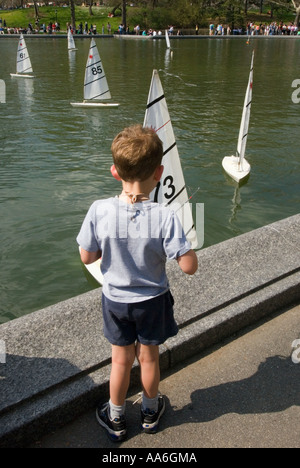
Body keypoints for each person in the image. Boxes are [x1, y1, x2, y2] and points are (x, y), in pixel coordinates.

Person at [76, 125, 198, 442]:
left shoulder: (99, 210)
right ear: (159, 172)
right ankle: (149, 411)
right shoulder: (166, 216)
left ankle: (115, 416)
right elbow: (189, 267)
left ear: (115, 171)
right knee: (149, 358)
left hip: (116, 301)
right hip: (153, 302)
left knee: (120, 360)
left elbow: (87, 256)